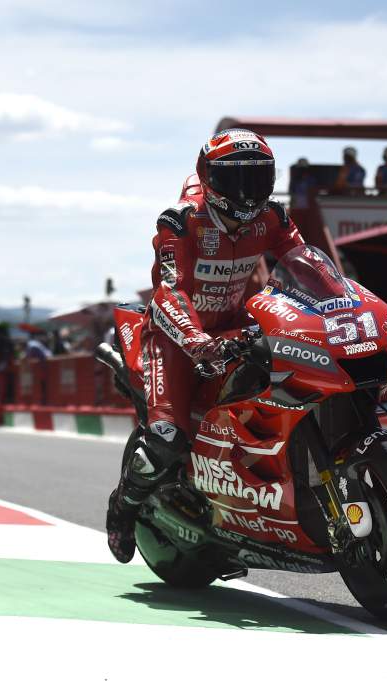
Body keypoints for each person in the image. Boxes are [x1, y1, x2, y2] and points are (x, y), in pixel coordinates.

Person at [105, 128, 305, 563]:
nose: (246, 192)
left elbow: (307, 267)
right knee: (166, 437)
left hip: (236, 329)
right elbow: (168, 291)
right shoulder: (180, 220)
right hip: (175, 339)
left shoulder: (273, 216)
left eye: (257, 179)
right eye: (234, 180)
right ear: (207, 177)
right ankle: (123, 506)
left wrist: (345, 304)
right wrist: (196, 340)